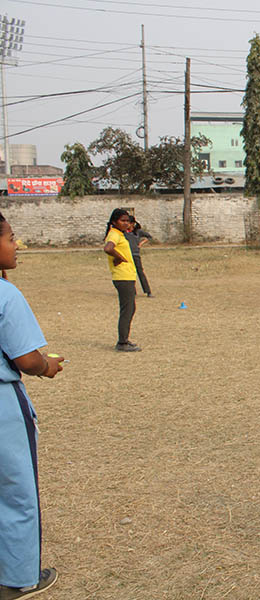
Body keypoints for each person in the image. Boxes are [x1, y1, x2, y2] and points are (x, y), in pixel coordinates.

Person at [0, 211, 64, 599]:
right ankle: (19, 578)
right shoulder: (6, 295)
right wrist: (47, 366)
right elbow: (26, 359)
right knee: (16, 491)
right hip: (3, 407)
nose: (16, 245)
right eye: (11, 237)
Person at [103, 209, 141, 352]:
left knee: (130, 308)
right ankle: (122, 343)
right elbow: (108, 248)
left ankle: (124, 340)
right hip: (122, 276)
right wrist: (119, 258)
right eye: (122, 221)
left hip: (127, 276)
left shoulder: (120, 234)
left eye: (127, 221)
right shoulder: (114, 234)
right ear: (114, 222)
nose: (126, 223)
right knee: (127, 309)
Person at [125, 216, 153, 298]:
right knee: (130, 273)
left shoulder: (138, 232)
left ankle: (148, 291)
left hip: (136, 255)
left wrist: (141, 243)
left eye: (129, 223)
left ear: (133, 224)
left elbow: (149, 237)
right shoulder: (124, 233)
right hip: (127, 255)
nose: (127, 224)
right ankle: (132, 292)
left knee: (140, 272)